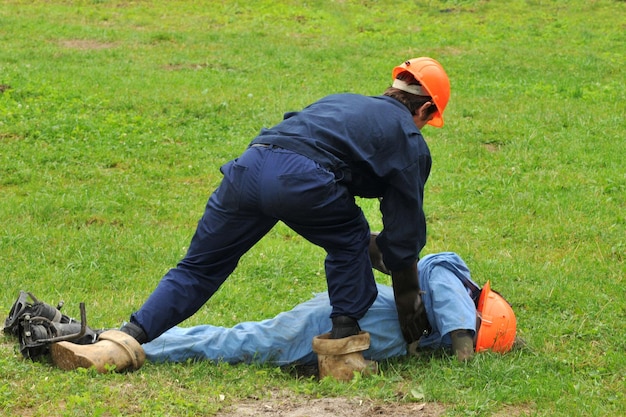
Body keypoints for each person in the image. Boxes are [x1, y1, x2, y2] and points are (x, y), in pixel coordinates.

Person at [50, 57, 452, 371]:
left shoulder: (342, 102)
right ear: (427, 109)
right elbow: (403, 236)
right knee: (349, 238)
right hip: (300, 179)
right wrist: (409, 302)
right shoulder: (409, 139)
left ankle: (121, 342)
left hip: (249, 166)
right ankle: (342, 352)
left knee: (199, 268)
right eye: (429, 119)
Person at [141, 252, 517, 366]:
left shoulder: (440, 324)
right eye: (470, 332)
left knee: (251, 348)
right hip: (333, 321)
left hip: (343, 334)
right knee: (242, 344)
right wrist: (466, 353)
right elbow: (449, 297)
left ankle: (134, 344)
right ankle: (132, 346)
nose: (463, 338)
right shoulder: (451, 275)